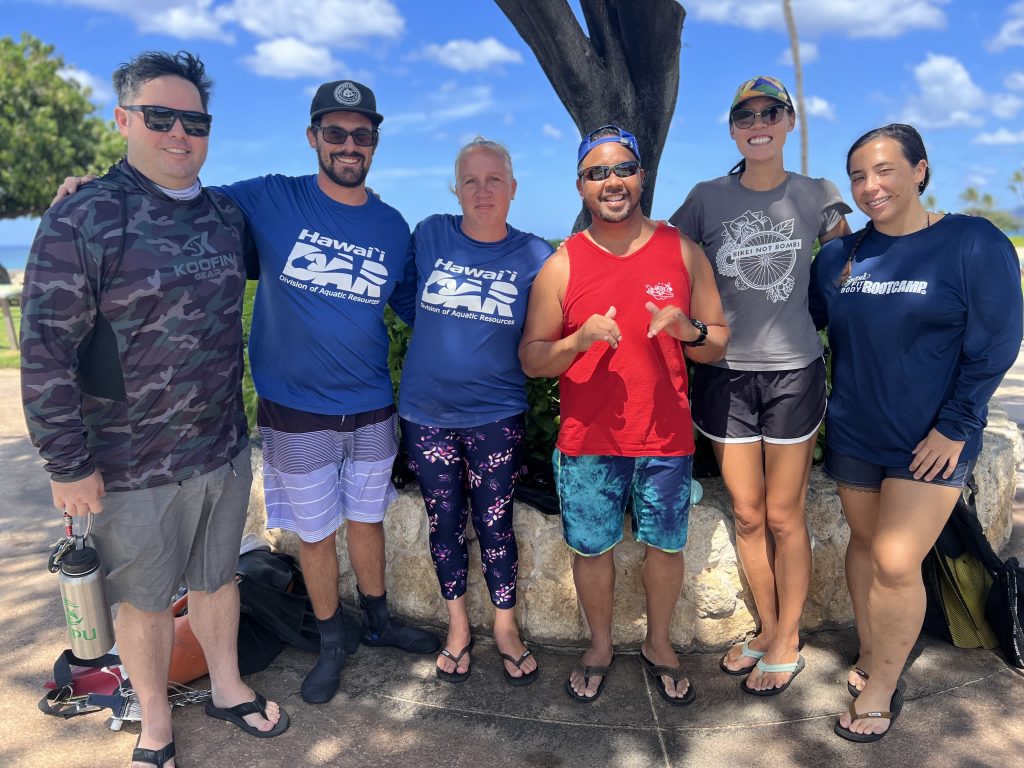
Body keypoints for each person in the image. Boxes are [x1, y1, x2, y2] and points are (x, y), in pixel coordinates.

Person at [53, 79, 442, 706]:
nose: (349, 145)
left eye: (361, 135)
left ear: (374, 143)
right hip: (295, 409)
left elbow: (417, 303)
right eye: (335, 132)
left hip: (371, 402)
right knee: (315, 532)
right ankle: (331, 637)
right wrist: (96, 189)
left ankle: (377, 618)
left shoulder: (392, 225)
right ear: (314, 137)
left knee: (367, 520)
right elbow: (172, 196)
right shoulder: (267, 198)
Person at [22, 51, 287, 768]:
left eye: (193, 120)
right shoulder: (84, 216)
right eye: (160, 116)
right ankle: (157, 725)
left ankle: (229, 686)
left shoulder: (226, 214)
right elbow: (45, 349)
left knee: (217, 579)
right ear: (124, 120)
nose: (179, 133)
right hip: (128, 463)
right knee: (140, 602)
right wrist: (66, 464)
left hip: (222, 449)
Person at [811, 123, 1022, 741]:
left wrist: (956, 426)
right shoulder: (839, 258)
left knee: (897, 559)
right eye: (858, 176)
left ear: (919, 170)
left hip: (932, 438)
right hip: (855, 431)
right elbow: (804, 322)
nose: (870, 186)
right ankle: (876, 653)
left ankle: (880, 687)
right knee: (864, 545)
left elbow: (997, 343)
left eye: (884, 170)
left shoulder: (972, 242)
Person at [519, 126, 728, 704]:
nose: (612, 182)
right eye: (597, 172)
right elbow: (533, 358)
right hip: (589, 440)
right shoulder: (562, 263)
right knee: (591, 548)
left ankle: (659, 643)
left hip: (665, 436)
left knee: (665, 544)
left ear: (641, 177)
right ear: (581, 185)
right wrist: (577, 342)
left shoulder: (682, 249)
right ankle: (600, 644)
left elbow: (718, 343)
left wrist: (691, 331)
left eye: (622, 169)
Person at [669, 75, 851, 695]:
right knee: (747, 515)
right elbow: (666, 258)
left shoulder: (819, 194)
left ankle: (789, 637)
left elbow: (854, 266)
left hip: (794, 370)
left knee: (783, 513)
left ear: (789, 121)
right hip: (724, 374)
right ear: (733, 128)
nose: (758, 123)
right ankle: (772, 630)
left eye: (770, 112)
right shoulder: (704, 197)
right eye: (745, 115)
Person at [399, 138, 551, 684]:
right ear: (456, 188)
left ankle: (506, 628)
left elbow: (553, 324)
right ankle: (458, 627)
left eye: (494, 180)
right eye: (471, 180)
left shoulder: (537, 254)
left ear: (513, 188)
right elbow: (404, 295)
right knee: (444, 523)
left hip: (496, 412)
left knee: (494, 523)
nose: (482, 191)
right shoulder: (431, 233)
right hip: (426, 412)